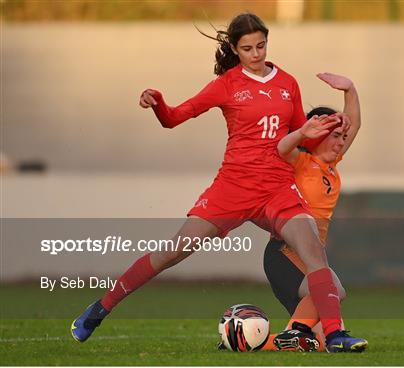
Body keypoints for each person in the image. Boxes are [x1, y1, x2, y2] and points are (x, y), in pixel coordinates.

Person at [70, 12, 366, 352]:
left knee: (315, 252)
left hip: (277, 188)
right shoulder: (228, 84)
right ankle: (100, 309)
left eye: (261, 45)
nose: (256, 54)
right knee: (173, 252)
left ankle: (335, 336)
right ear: (235, 49)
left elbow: (299, 138)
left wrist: (328, 126)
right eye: (248, 48)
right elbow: (174, 118)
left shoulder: (288, 83)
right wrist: (158, 102)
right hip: (234, 187)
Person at [260, 73, 363, 352]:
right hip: (285, 253)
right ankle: (291, 334)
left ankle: (259, 342)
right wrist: (305, 130)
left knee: (314, 343)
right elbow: (281, 147)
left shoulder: (331, 165)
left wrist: (350, 89)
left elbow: (355, 124)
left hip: (307, 257)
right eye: (335, 136)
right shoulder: (302, 161)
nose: (342, 141)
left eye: (343, 137)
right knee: (334, 289)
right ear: (316, 135)